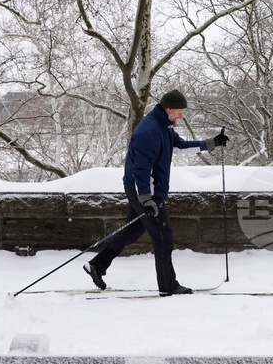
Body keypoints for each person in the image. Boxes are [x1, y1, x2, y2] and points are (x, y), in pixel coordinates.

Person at [83, 89, 228, 295]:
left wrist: (211, 143)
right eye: (180, 112)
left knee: (132, 231)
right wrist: (146, 199)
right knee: (163, 237)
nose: (181, 116)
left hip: (142, 189)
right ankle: (168, 287)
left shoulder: (164, 126)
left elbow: (179, 146)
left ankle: (97, 265)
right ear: (169, 109)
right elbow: (141, 170)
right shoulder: (149, 132)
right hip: (144, 191)